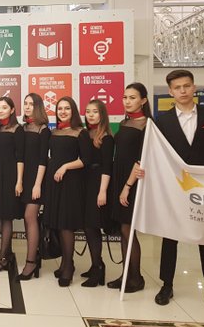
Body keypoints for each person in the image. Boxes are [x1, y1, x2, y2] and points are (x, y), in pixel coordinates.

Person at [150, 70, 204, 314]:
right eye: (177, 87)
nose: (183, 91)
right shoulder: (162, 121)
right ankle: (167, 286)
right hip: (175, 186)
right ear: (170, 92)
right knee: (170, 236)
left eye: (186, 86)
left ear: (194, 87)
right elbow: (157, 154)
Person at [108, 83, 151, 293]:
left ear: (143, 100)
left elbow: (141, 159)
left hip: (132, 182)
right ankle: (126, 275)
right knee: (123, 230)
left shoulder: (148, 125)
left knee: (128, 229)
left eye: (132, 97)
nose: (127, 101)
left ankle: (137, 278)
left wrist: (127, 186)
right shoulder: (125, 122)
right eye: (125, 97)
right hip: (119, 177)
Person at [47, 97, 91, 287]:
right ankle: (66, 262)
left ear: (73, 111)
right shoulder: (54, 132)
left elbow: (86, 159)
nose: (63, 112)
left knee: (66, 225)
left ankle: (68, 269)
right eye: (60, 109)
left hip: (71, 183)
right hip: (54, 182)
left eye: (67, 108)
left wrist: (65, 167)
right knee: (57, 224)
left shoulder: (80, 132)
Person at [0, 97, 24, 273]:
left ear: (12, 110)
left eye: (4, 107)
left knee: (7, 217)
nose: (0, 111)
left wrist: (19, 181)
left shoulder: (18, 129)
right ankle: (6, 253)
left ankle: (2, 258)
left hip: (11, 177)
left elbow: (20, 158)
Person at [80, 99, 113, 287]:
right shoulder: (85, 134)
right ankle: (96, 265)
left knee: (93, 226)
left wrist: (102, 191)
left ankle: (98, 268)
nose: (90, 115)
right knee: (87, 226)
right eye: (88, 111)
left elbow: (107, 167)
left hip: (98, 183)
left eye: (95, 112)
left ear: (102, 115)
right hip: (85, 182)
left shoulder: (106, 138)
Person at [18, 93, 50, 281]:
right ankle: (34, 255)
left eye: (31, 104)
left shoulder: (43, 129)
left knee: (30, 216)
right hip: (23, 178)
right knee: (27, 219)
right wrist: (19, 180)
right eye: (25, 103)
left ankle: (31, 262)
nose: (27, 106)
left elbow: (43, 159)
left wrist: (37, 184)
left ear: (38, 107)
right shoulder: (22, 128)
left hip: (37, 178)